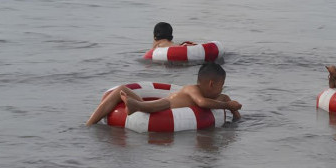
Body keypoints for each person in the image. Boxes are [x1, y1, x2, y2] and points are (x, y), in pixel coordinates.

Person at [85, 63, 242, 126]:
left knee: (156, 104)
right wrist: (227, 106)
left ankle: (136, 105)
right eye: (221, 85)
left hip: (161, 108)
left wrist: (233, 111)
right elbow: (201, 103)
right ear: (211, 84)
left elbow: (237, 118)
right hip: (164, 106)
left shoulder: (222, 98)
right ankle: (90, 123)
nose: (223, 89)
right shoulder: (192, 89)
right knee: (121, 89)